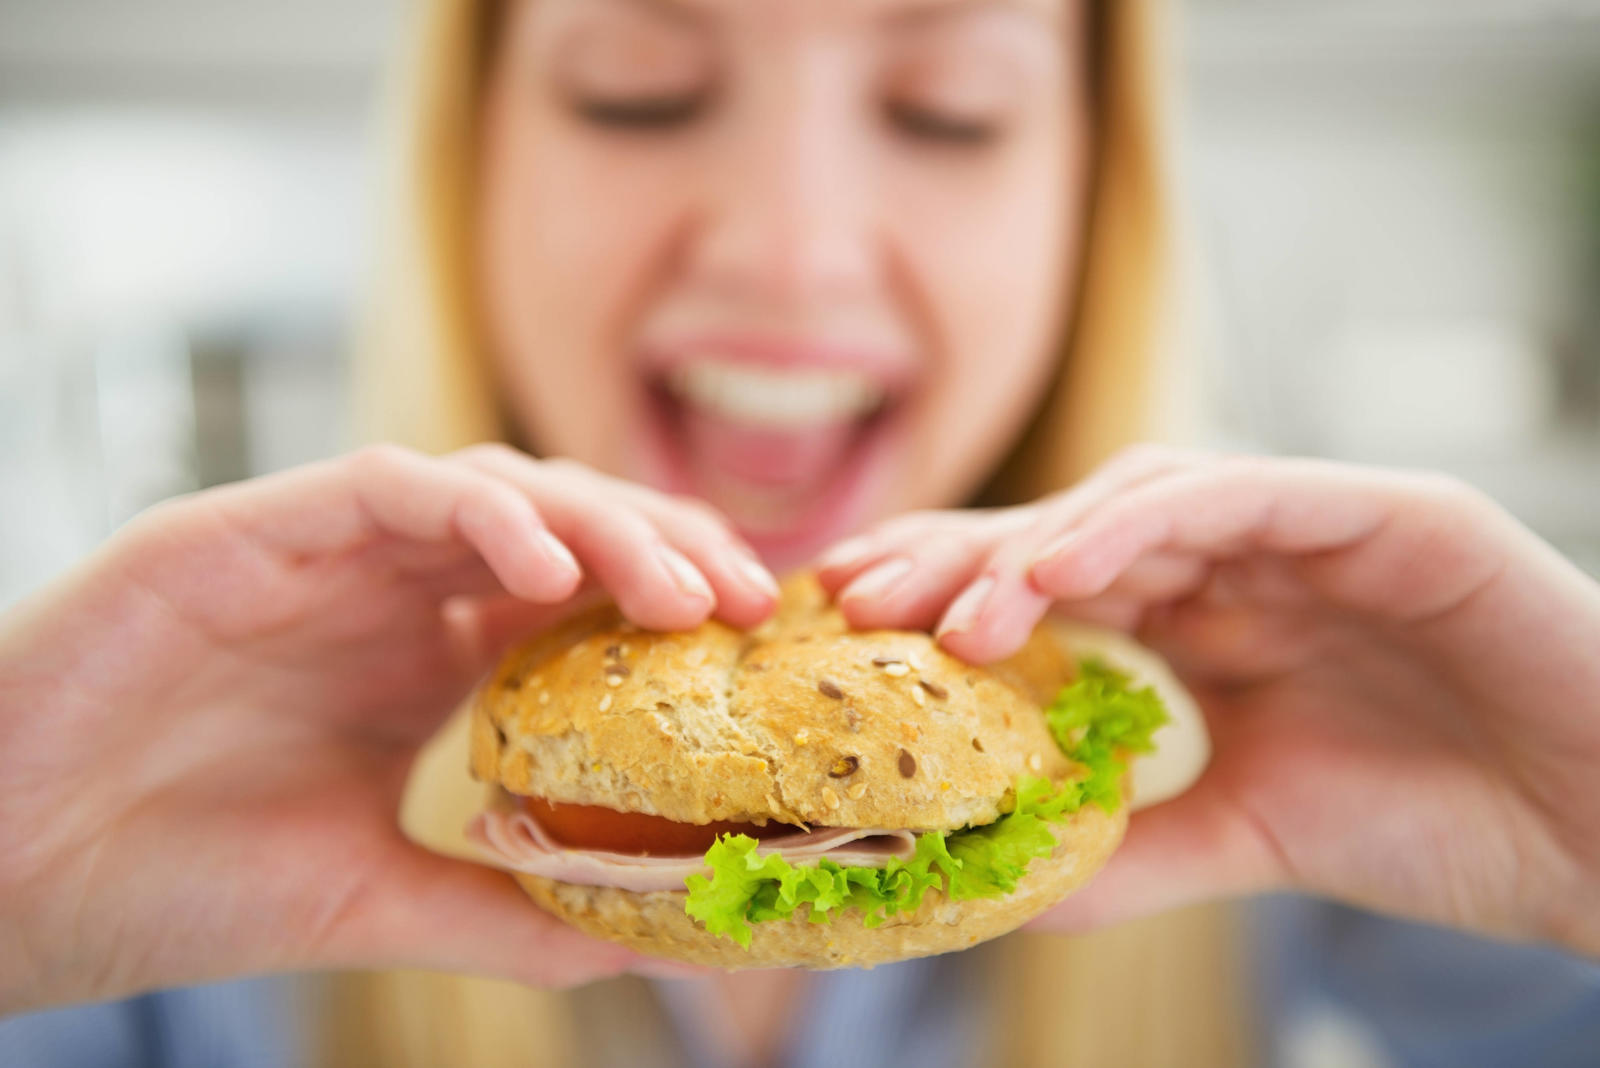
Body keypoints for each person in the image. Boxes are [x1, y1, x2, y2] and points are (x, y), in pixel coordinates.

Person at [2, 0, 1598, 1066]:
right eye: (642, 90)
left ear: (1091, 204)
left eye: (948, 109)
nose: (790, 251)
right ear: (470, 165)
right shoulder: (168, 841)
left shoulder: (1297, 796)